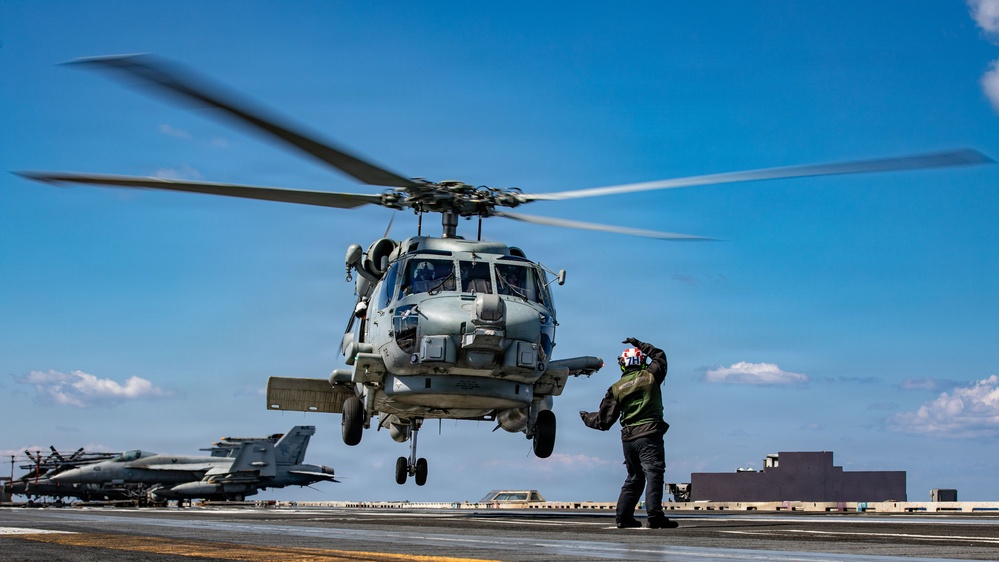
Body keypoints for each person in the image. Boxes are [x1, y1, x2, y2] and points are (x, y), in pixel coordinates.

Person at [580, 337, 678, 529]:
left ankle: (623, 518)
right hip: (649, 433)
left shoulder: (616, 388)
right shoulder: (651, 376)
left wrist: (586, 417)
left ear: (622, 365)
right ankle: (655, 517)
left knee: (634, 477)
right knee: (654, 473)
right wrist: (640, 344)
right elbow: (660, 356)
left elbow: (604, 421)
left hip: (628, 439)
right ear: (642, 362)